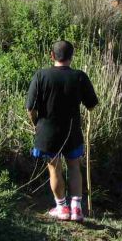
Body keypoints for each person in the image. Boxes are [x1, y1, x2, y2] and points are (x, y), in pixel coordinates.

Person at [25, 40, 98, 222]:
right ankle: (76, 208)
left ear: (52, 55)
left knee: (54, 170)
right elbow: (92, 105)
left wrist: (36, 123)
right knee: (74, 167)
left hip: (47, 132)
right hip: (72, 131)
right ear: (71, 57)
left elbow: (30, 108)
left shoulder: (40, 76)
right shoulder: (79, 76)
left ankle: (61, 208)